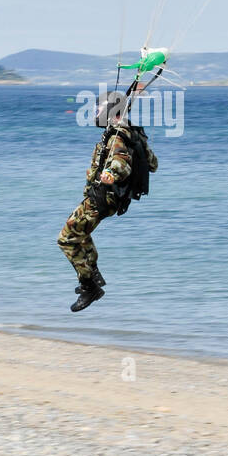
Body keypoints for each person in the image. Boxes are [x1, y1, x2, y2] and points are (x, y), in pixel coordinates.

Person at [58, 89, 158, 312]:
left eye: (98, 109)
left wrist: (112, 172)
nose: (95, 112)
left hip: (101, 197)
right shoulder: (131, 132)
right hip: (113, 200)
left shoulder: (117, 137)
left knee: (66, 239)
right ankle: (93, 275)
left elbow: (121, 162)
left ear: (109, 111)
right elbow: (153, 163)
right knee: (81, 234)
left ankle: (88, 286)